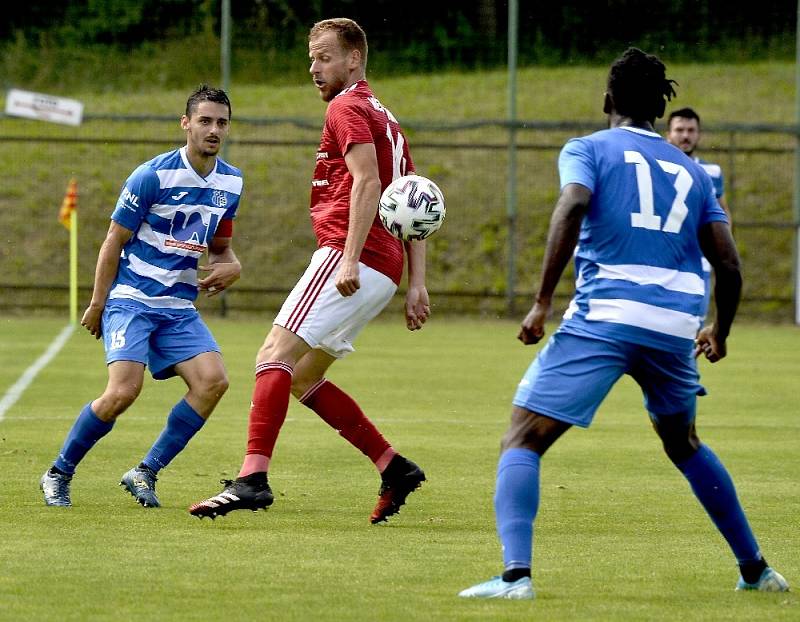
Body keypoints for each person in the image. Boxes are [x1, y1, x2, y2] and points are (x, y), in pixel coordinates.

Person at [459, 48, 788, 600]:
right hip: (676, 324)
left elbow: (571, 205)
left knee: (522, 438)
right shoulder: (692, 171)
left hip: (607, 315)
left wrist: (541, 300)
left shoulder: (588, 148)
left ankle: (516, 577)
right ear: (662, 111)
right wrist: (720, 329)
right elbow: (729, 264)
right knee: (684, 444)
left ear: (607, 100)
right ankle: (756, 570)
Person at [188, 18, 428, 524]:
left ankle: (253, 479)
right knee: (301, 376)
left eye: (323, 57)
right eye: (311, 58)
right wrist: (416, 281)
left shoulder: (348, 106)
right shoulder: (387, 117)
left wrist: (347, 255)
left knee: (273, 355)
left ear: (354, 60)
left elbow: (366, 185)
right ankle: (393, 466)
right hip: (382, 267)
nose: (313, 68)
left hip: (351, 255)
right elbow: (414, 199)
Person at [40, 85, 243, 508]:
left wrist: (232, 264)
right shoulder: (150, 175)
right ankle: (59, 472)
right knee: (122, 393)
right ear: (185, 123)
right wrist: (98, 303)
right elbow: (113, 241)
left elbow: (221, 247)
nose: (213, 129)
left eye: (221, 122)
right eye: (204, 120)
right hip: (132, 299)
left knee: (213, 383)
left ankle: (145, 471)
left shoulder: (231, 181)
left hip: (178, 309)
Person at [666, 107, 731, 221]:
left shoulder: (713, 171)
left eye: (691, 130)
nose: (685, 136)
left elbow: (723, 211)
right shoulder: (658, 168)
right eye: (679, 130)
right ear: (668, 135)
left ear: (699, 135)